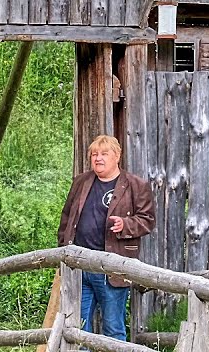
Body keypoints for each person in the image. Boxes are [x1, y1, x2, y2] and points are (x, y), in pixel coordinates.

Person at [57, 135, 155, 341]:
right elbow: (66, 217)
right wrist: (63, 251)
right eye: (94, 154)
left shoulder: (136, 185)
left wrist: (126, 224)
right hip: (79, 266)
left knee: (113, 327)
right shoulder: (81, 182)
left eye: (104, 154)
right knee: (76, 326)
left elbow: (147, 220)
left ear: (117, 156)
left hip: (112, 267)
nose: (98, 158)